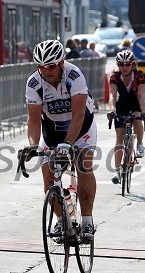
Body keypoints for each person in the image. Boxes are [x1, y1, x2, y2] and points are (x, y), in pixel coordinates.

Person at [24, 39, 96, 241]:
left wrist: (69, 144)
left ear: (61, 63)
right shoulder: (34, 83)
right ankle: (59, 220)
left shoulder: (74, 76)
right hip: (53, 130)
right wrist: (32, 144)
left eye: (51, 66)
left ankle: (87, 222)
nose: (46, 71)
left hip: (81, 127)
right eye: (41, 67)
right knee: (48, 172)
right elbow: (33, 118)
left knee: (83, 164)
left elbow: (79, 114)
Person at [108, 50, 145, 184]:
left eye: (127, 64)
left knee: (137, 120)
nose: (124, 67)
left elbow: (141, 96)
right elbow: (112, 96)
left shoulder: (139, 76)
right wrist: (112, 110)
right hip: (122, 103)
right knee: (119, 136)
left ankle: (140, 144)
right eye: (121, 64)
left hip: (137, 102)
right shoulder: (115, 77)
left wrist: (143, 114)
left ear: (133, 65)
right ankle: (117, 171)